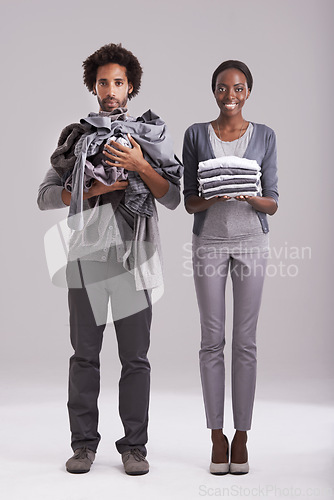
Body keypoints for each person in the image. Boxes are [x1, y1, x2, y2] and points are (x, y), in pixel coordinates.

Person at [37, 43, 182, 476]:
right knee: (84, 355)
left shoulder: (149, 138)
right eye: (104, 83)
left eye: (118, 82)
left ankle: (134, 447)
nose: (111, 90)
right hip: (85, 258)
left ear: (131, 87)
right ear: (94, 87)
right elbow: (45, 196)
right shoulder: (77, 140)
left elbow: (173, 196)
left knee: (135, 358)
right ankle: (83, 445)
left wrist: (139, 164)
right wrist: (91, 189)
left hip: (135, 260)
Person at [182, 60, 278, 475]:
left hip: (252, 240)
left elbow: (273, 199)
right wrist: (216, 195)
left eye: (238, 89)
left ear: (249, 92)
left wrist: (247, 194)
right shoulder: (194, 135)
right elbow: (189, 201)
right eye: (223, 88)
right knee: (211, 339)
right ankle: (216, 435)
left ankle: (242, 435)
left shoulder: (266, 136)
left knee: (245, 342)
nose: (230, 96)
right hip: (209, 242)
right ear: (214, 91)